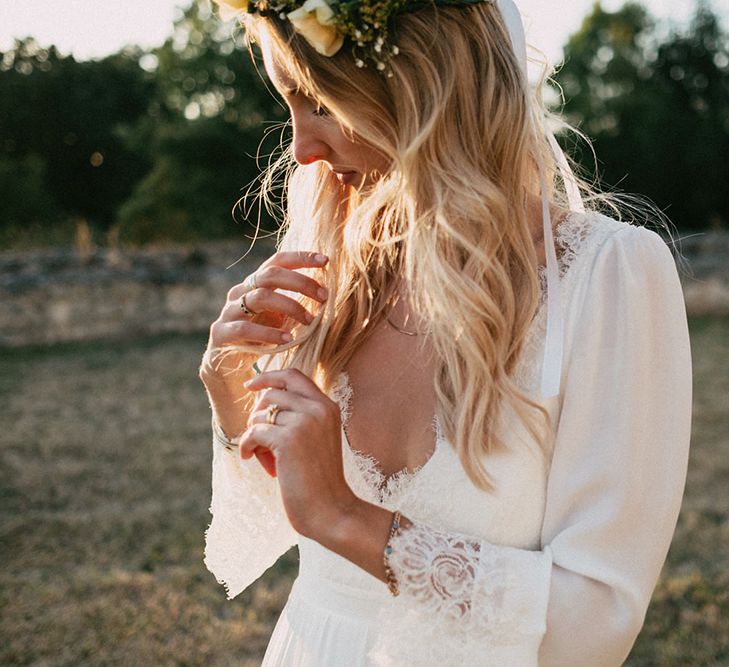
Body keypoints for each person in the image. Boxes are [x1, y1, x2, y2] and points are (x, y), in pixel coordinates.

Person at [198, 0, 693, 664]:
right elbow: (275, 523)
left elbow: (595, 617)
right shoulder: (333, 264)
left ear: (421, 80)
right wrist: (234, 391)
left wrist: (348, 517)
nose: (300, 148)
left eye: (318, 101)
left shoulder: (607, 275)